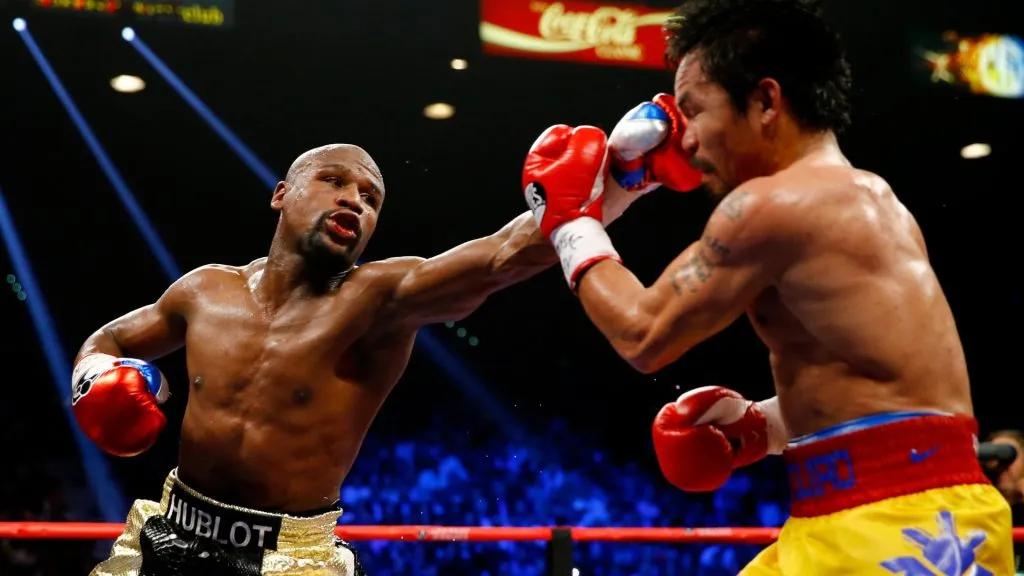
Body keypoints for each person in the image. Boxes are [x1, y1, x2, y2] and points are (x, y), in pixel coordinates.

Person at [518, 0, 1014, 573]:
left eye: (694, 112)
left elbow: (642, 333)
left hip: (905, 528)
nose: (685, 142)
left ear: (765, 102)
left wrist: (571, 222)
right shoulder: (871, 198)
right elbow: (890, 383)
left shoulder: (772, 204)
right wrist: (763, 427)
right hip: (865, 513)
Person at [71, 142, 635, 575]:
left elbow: (501, 257)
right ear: (281, 194)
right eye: (334, 181)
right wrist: (96, 380)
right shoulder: (205, 290)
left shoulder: (378, 299)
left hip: (291, 558)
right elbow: (106, 341)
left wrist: (626, 175)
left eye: (371, 198)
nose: (354, 200)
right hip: (173, 530)